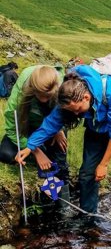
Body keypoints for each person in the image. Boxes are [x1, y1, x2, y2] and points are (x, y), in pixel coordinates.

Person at [16, 65, 111, 232]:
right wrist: (30, 146)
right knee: (87, 172)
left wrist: (103, 164)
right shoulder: (69, 98)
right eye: (72, 112)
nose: (75, 115)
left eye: (77, 110)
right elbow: (50, 124)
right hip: (96, 124)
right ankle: (88, 216)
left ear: (86, 97)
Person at [0, 65, 70, 209]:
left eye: (48, 96)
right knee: (5, 154)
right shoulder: (21, 92)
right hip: (26, 129)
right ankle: (36, 155)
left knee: (59, 165)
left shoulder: (62, 84)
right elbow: (12, 128)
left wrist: (58, 129)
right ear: (32, 89)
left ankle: (63, 205)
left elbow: (67, 113)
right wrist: (35, 151)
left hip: (50, 127)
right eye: (40, 95)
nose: (44, 100)